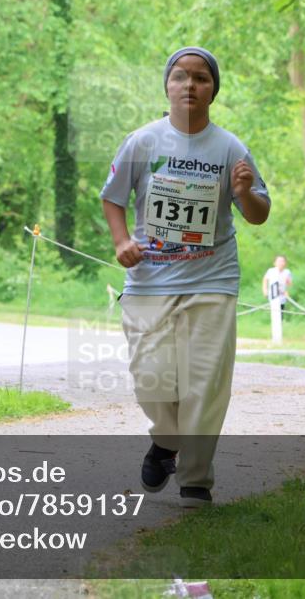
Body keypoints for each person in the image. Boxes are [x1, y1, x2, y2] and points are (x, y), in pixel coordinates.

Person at [100, 46, 271, 507]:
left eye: (201, 78)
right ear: (168, 86)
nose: (190, 85)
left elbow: (258, 213)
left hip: (212, 279)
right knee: (151, 379)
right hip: (150, 282)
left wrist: (243, 192)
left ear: (213, 89)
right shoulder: (143, 142)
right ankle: (167, 441)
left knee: (205, 383)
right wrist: (121, 242)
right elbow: (112, 198)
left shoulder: (230, 148)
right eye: (181, 77)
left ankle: (196, 477)